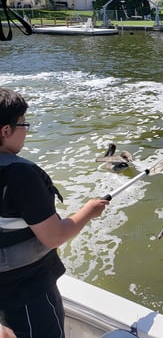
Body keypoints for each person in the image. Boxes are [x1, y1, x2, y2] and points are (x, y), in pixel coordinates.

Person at [0, 87, 110, 337]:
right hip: (27, 292)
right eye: (23, 124)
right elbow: (54, 237)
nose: (26, 130)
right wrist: (89, 211)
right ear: (6, 131)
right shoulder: (20, 176)